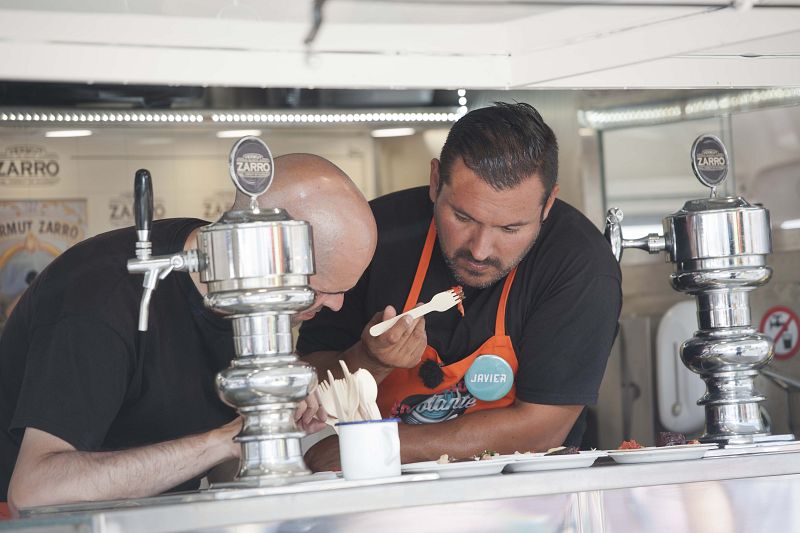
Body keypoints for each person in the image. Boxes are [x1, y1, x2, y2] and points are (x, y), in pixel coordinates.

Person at [0, 153, 377, 516]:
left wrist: (267, 434)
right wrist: (225, 440)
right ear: (261, 252)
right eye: (321, 288)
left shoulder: (251, 303)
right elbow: (34, 494)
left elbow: (215, 470)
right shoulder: (100, 301)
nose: (337, 305)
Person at [298, 103, 622, 470]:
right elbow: (306, 386)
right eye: (463, 217)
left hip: (525, 489)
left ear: (547, 204)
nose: (480, 250)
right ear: (436, 182)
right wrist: (369, 360)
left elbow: (541, 428)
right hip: (377, 489)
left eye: (510, 229)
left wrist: (378, 446)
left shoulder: (579, 265)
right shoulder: (371, 237)